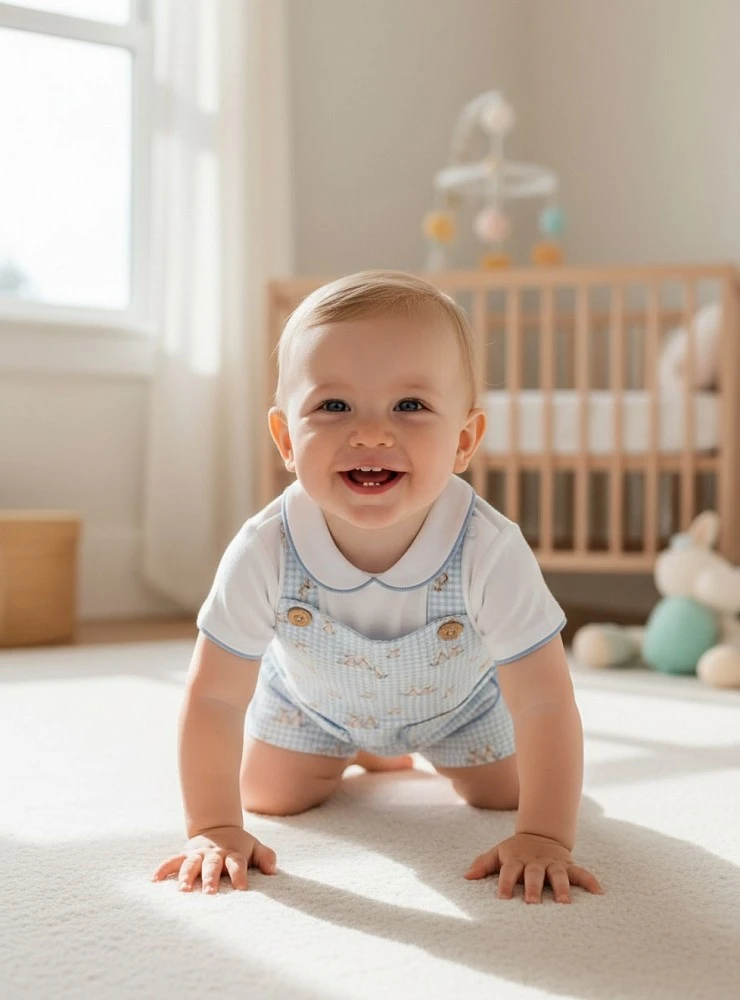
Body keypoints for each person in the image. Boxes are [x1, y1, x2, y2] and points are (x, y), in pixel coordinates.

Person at [152, 270, 603, 904]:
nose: (370, 433)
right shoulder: (265, 548)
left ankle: (400, 754)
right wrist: (214, 827)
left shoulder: (489, 550)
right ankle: (360, 752)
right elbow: (215, 698)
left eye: (410, 406)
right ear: (286, 438)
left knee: (510, 795)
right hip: (313, 707)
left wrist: (545, 836)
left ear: (464, 441)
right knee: (266, 796)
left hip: (461, 709)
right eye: (334, 406)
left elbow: (545, 703)